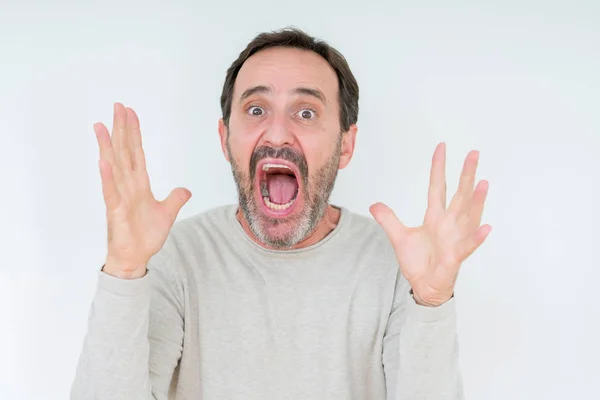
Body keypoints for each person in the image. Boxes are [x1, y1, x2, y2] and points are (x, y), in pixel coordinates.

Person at [70, 27, 490, 400]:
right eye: (255, 110)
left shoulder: (398, 267)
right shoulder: (173, 256)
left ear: (345, 144)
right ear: (225, 136)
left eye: (306, 112)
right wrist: (124, 271)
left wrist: (431, 301)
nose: (276, 133)